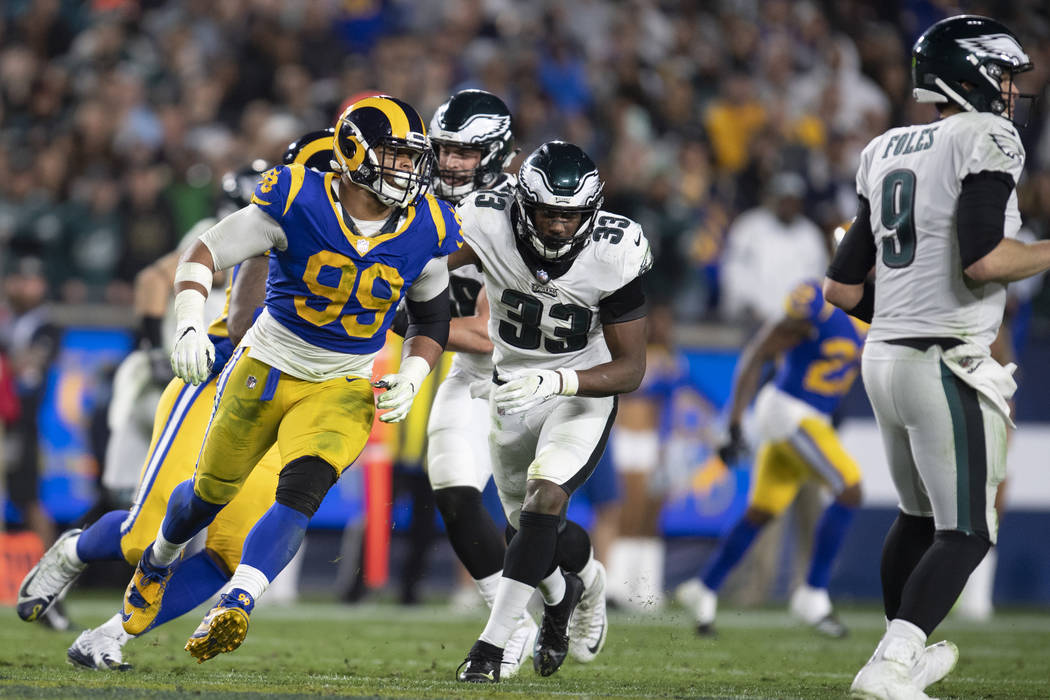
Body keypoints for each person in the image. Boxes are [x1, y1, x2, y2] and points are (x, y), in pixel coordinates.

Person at [118, 95, 459, 663]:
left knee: (303, 491)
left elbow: (432, 315)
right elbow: (203, 253)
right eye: (395, 155)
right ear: (354, 153)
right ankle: (158, 559)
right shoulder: (299, 197)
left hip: (343, 382)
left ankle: (239, 599)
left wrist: (415, 371)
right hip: (266, 366)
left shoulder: (429, 225)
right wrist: (189, 324)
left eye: (412, 157)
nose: (408, 169)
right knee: (207, 494)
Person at [13, 138, 329, 669]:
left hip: (289, 397)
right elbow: (234, 313)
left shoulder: (382, 235)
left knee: (230, 553)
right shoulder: (273, 222)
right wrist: (170, 336)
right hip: (219, 377)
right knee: (145, 539)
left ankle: (109, 635)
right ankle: (74, 550)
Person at [823, 16, 1049, 699]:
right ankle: (892, 663)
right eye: (1002, 75)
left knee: (918, 519)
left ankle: (899, 653)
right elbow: (984, 260)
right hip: (944, 359)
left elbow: (840, 288)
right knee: (968, 531)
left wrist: (900, 318)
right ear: (971, 74)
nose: (1010, 90)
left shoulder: (886, 146)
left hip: (884, 359)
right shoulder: (985, 135)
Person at [450, 141, 651, 683]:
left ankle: (490, 648)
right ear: (522, 206)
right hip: (511, 389)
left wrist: (558, 379)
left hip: (579, 391)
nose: (560, 227)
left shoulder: (615, 251)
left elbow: (631, 368)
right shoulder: (485, 220)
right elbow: (419, 261)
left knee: (544, 502)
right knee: (530, 533)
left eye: (571, 215)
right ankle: (574, 591)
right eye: (547, 214)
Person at [420, 89, 541, 676]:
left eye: (465, 152)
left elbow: (493, 335)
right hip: (470, 376)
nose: (449, 162)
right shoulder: (418, 199)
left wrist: (396, 319)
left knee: (537, 522)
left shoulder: (519, 212)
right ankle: (510, 623)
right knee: (451, 486)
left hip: (533, 377)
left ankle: (582, 586)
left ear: (494, 153)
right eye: (444, 149)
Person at [675, 278, 866, 638]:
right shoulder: (817, 303)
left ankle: (704, 587)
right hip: (790, 412)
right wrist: (733, 423)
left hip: (811, 417)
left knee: (762, 511)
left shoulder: (873, 312)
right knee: (849, 488)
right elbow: (758, 352)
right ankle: (812, 594)